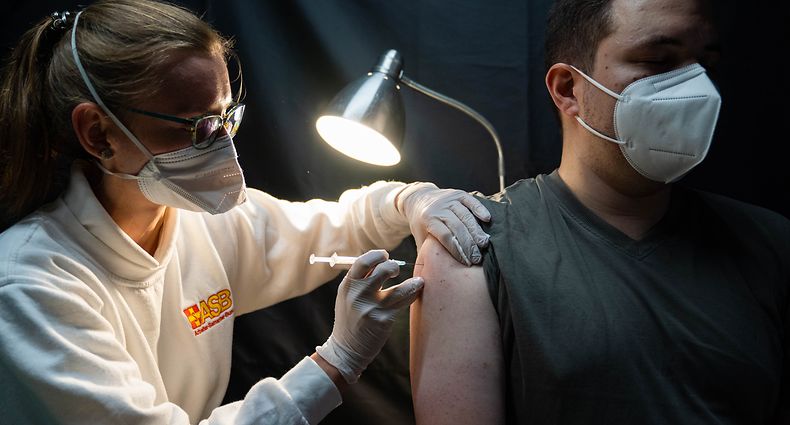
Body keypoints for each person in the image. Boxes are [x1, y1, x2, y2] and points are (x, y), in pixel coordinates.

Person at [0, 1, 493, 424]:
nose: (223, 147)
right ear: (98, 133)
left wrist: (411, 201)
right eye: (197, 127)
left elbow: (336, 225)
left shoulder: (204, 223)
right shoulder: (29, 288)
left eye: (226, 117)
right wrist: (337, 361)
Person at [410, 0, 789, 424]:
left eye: (705, 65)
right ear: (568, 89)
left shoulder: (771, 245)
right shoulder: (473, 246)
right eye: (657, 61)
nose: (696, 89)